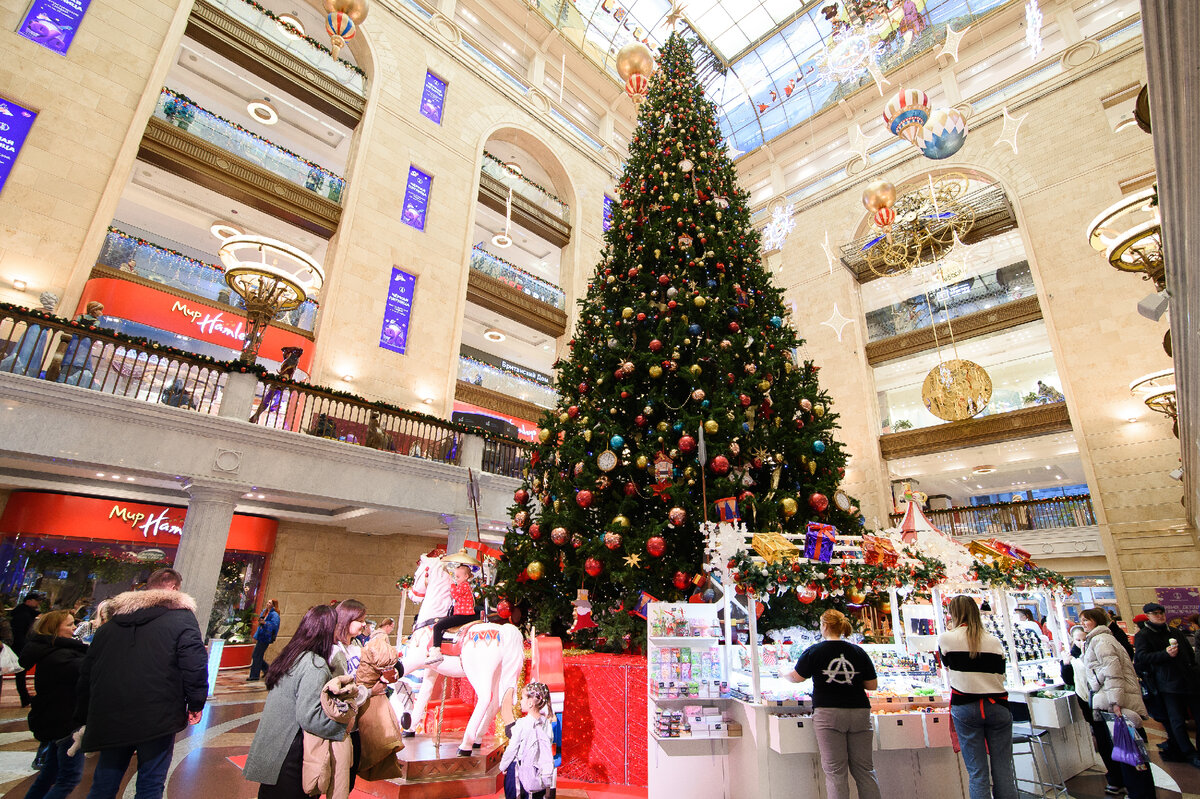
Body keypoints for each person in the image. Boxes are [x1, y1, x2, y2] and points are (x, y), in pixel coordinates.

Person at [75, 567, 208, 799]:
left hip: (110, 711)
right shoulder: (182, 618)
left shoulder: (112, 622)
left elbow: (88, 671)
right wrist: (196, 702)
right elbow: (194, 663)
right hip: (158, 712)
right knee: (151, 783)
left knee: (104, 782)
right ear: (175, 588)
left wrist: (82, 713)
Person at [244, 604, 356, 799]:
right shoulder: (315, 664)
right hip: (289, 751)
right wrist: (341, 729)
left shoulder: (291, 655)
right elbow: (309, 716)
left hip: (272, 744)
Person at [783, 609, 881, 799]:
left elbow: (797, 677)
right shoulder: (858, 652)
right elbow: (872, 685)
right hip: (859, 712)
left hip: (828, 714)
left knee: (836, 773)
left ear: (825, 626)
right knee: (865, 771)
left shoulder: (814, 651)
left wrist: (782, 673)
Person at [939, 595, 1017, 799]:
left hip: (966, 706)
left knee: (977, 773)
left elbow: (946, 666)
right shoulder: (993, 641)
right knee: (1004, 771)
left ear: (953, 613)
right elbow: (1001, 673)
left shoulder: (947, 638)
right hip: (998, 706)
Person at [1078, 607, 1156, 798]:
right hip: (1110, 700)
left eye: (1087, 619)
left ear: (1096, 620)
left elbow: (1113, 672)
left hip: (1114, 703)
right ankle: (1137, 789)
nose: (1083, 623)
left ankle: (1140, 792)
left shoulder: (1101, 640)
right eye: (1081, 620)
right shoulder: (1098, 639)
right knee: (1126, 749)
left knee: (1128, 749)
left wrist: (1115, 702)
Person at [20, 610, 88, 799]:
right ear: (54, 629)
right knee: (69, 778)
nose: (74, 628)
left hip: (55, 718)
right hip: (66, 721)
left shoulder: (49, 651)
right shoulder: (61, 656)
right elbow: (87, 672)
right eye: (69, 624)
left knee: (50, 773)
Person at [1134, 602, 1200, 767]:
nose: (1160, 615)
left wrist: (1193, 671)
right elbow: (1142, 657)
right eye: (1155, 613)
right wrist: (1164, 654)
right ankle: (1189, 753)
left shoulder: (1175, 631)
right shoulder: (1144, 635)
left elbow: (1189, 655)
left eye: (1161, 612)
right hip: (1168, 684)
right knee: (1176, 721)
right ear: (1148, 615)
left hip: (1188, 681)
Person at [497, 682, 556, 799]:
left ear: (530, 703)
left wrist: (503, 766)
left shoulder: (521, 724)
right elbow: (547, 749)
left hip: (519, 771)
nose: (520, 701)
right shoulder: (547, 724)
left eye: (522, 698)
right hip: (539, 772)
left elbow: (512, 749)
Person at [426, 563, 478, 665]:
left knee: (438, 626)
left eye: (458, 577)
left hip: (464, 615)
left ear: (466, 576)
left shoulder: (464, 585)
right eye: (455, 576)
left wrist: (452, 584)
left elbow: (455, 595)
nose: (456, 579)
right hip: (463, 614)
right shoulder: (464, 585)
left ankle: (436, 650)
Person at [11, 591, 43, 708]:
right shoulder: (23, 614)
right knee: (20, 673)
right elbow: (19, 633)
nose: (38, 603)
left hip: (21, 646)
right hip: (20, 647)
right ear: (28, 601)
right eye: (36, 600)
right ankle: (24, 698)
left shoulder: (26, 613)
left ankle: (25, 697)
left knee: (21, 673)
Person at [249, 599, 281, 682]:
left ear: (273, 605)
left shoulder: (274, 615)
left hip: (266, 637)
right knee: (257, 655)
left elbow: (275, 625)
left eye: (270, 603)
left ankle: (255, 675)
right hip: (261, 635)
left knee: (256, 655)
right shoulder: (264, 612)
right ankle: (268, 670)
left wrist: (265, 623)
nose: (267, 604)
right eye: (267, 602)